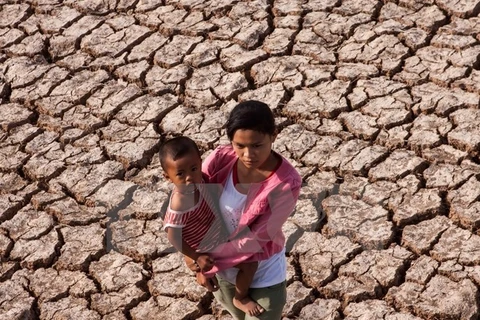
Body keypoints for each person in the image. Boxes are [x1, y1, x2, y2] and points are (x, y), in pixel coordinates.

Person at [194, 100, 302, 319]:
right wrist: (194, 259)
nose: (247, 154)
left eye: (257, 145)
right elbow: (192, 205)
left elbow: (257, 239)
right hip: (222, 272)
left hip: (263, 273)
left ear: (274, 135)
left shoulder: (286, 183)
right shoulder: (221, 158)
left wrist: (206, 259)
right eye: (239, 145)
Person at [159, 136, 265, 316]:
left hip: (220, 236)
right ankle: (241, 297)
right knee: (249, 264)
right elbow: (173, 236)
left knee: (250, 262)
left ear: (200, 163)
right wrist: (195, 256)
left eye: (193, 169)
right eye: (180, 174)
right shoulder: (179, 202)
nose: (189, 178)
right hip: (205, 248)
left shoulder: (202, 181)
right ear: (167, 177)